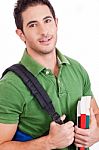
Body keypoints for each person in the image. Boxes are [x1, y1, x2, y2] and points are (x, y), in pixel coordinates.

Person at [0, 0, 99, 149]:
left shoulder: (76, 69)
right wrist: (48, 142)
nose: (44, 31)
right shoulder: (10, 85)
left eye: (47, 21)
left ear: (56, 23)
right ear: (21, 34)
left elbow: (96, 115)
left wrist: (95, 134)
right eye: (33, 25)